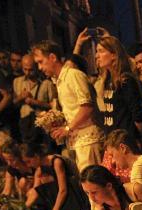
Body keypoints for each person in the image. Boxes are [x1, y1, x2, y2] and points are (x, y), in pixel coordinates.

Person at [32, 40, 103, 171]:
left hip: (89, 139)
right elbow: (74, 109)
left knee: (94, 180)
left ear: (53, 57)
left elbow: (87, 107)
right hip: (78, 141)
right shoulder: (59, 81)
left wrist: (67, 128)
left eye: (41, 62)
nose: (39, 67)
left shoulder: (73, 75)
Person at [92, 35, 142, 164]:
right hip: (112, 142)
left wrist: (137, 140)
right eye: (97, 51)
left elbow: (137, 114)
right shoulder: (108, 80)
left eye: (101, 51)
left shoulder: (125, 80)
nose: (97, 56)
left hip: (125, 144)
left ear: (114, 55)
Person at [22, 143, 90, 210]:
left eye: (29, 161)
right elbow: (35, 191)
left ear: (36, 156)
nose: (28, 165)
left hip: (73, 195)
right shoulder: (39, 169)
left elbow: (63, 190)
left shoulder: (56, 162)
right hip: (59, 195)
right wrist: (23, 209)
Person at [12, 54, 55, 146]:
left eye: (31, 70)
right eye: (25, 69)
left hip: (43, 127)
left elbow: (54, 106)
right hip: (25, 126)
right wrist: (20, 97)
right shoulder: (17, 82)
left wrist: (35, 102)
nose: (27, 73)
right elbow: (13, 104)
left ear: (37, 67)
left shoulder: (47, 83)